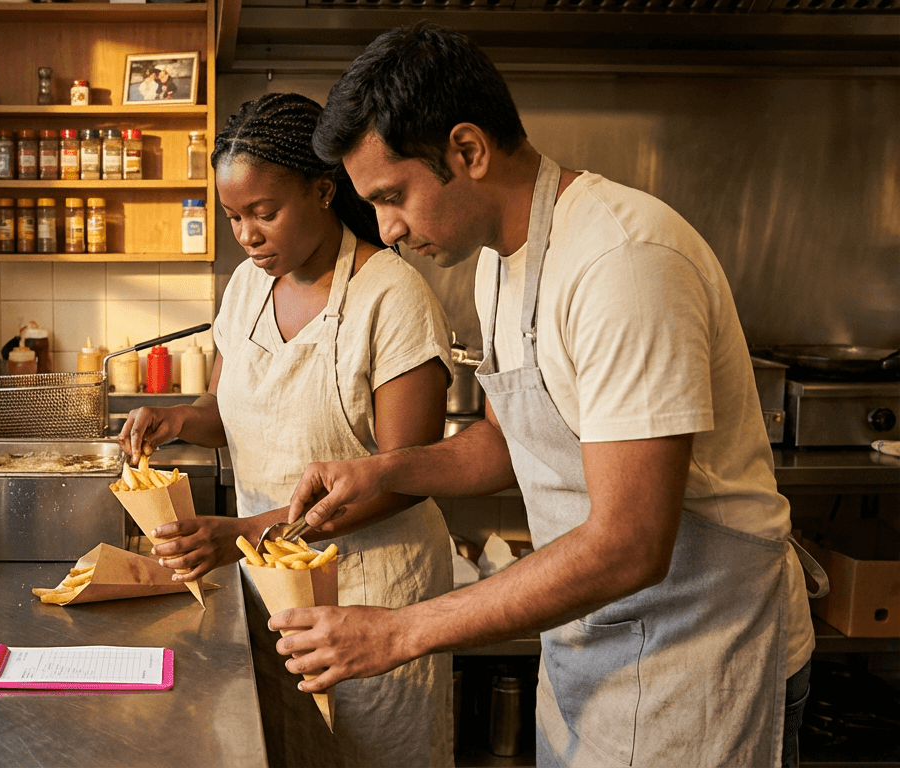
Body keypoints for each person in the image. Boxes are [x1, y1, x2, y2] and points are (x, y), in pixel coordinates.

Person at [275, 24, 828, 768]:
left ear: (468, 151)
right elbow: (509, 441)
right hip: (594, 637)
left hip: (700, 655)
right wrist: (382, 472)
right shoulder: (497, 264)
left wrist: (400, 631)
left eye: (392, 196)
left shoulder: (622, 262)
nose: (388, 230)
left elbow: (631, 543)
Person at [117, 92, 456, 768]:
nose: (247, 234)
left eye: (264, 213)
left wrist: (242, 533)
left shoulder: (391, 297)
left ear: (324, 190)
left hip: (373, 595)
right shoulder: (245, 288)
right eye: (233, 217)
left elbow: (407, 477)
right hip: (272, 592)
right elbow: (237, 412)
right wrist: (178, 418)